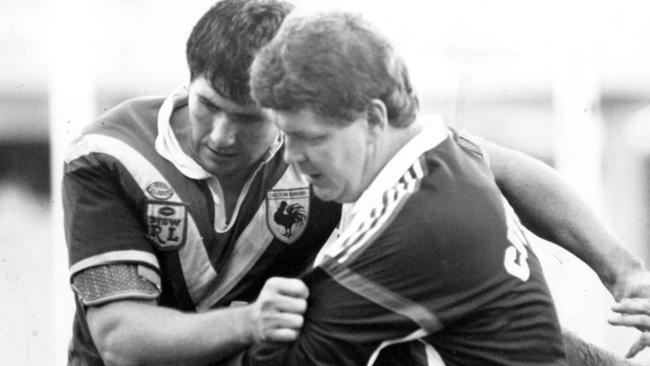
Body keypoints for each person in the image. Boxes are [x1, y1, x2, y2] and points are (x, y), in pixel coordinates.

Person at [62, 0, 648, 365]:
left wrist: (622, 271)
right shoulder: (110, 155)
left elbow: (505, 171)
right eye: (207, 105)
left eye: (250, 121)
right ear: (188, 80)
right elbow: (119, 339)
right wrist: (248, 321)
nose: (219, 135)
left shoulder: (335, 138)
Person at [239, 10, 637, 365]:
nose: (291, 156)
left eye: (310, 137)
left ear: (374, 118)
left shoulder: (409, 225)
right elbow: (510, 167)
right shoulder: (438, 152)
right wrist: (624, 271)